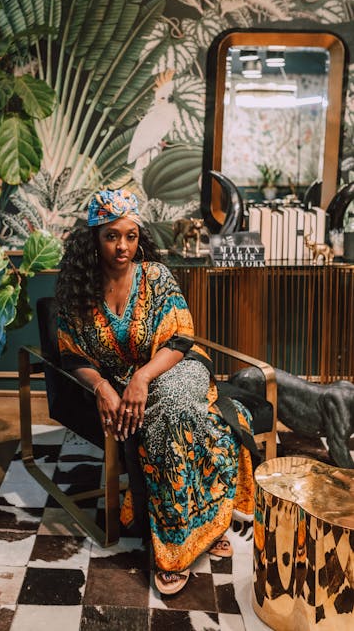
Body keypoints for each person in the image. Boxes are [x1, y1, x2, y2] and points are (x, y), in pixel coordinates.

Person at [55, 189, 255, 595]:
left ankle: (175, 551)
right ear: (94, 237)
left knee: (171, 412)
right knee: (178, 420)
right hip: (125, 384)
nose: (123, 246)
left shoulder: (155, 276)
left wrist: (141, 380)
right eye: (112, 236)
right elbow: (71, 353)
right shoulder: (79, 290)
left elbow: (182, 338)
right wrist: (101, 387)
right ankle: (209, 520)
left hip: (177, 365)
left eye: (130, 235)